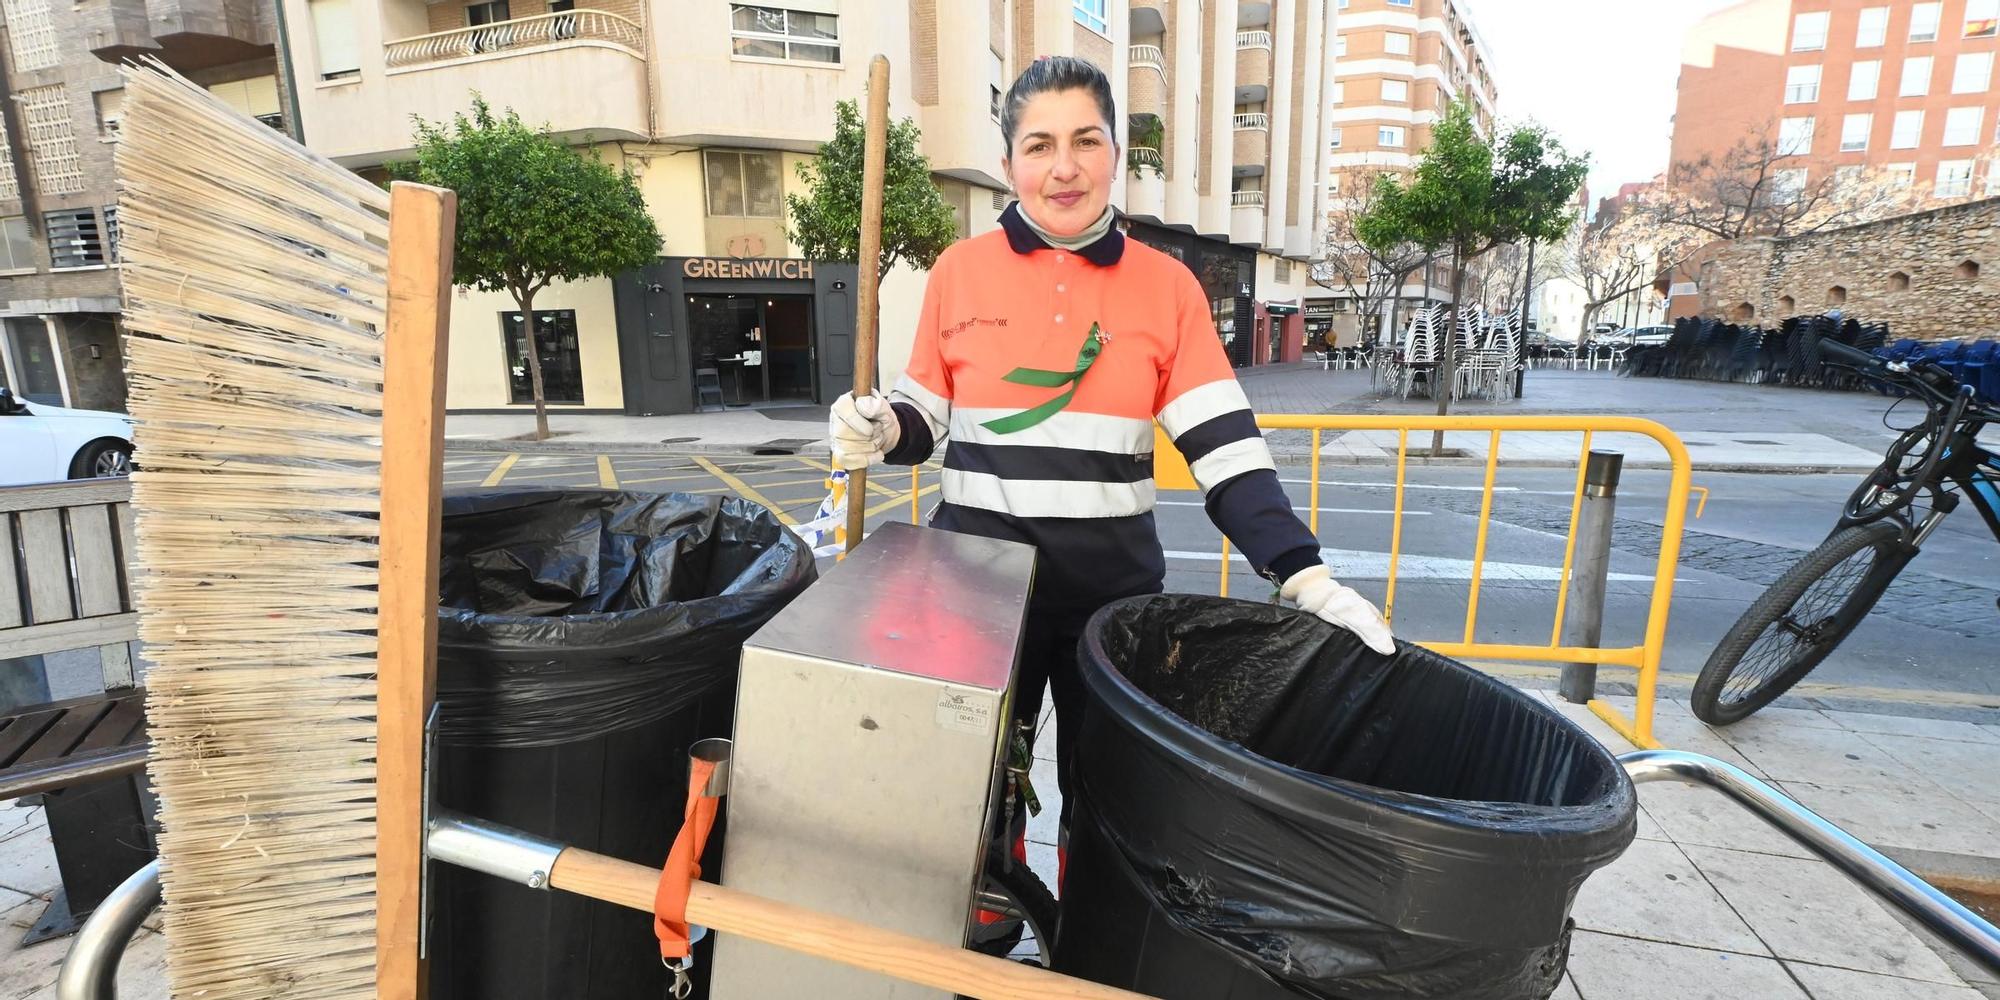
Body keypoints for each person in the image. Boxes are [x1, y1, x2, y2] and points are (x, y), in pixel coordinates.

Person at [827, 56, 1394, 868]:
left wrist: (1302, 572)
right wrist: (882, 428)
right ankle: (984, 936)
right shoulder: (958, 271)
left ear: (1117, 153)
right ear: (1008, 163)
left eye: (1086, 140)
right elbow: (926, 417)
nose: (1064, 167)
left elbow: (1225, 451)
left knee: (1107, 803)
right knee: (976, 794)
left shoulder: (1168, 288)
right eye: (1040, 144)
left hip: (1111, 597)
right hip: (973, 593)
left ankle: (1085, 942)